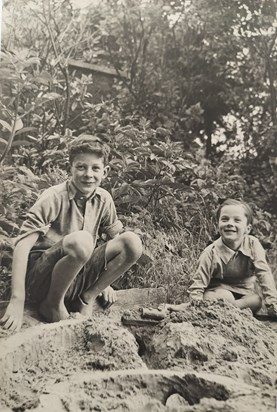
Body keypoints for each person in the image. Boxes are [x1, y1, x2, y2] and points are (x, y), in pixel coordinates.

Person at [0, 135, 142, 331]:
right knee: (82, 241)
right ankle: (52, 304)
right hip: (41, 280)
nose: (88, 174)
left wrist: (104, 284)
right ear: (70, 168)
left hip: (76, 276)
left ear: (105, 171)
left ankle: (86, 298)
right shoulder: (54, 197)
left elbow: (116, 241)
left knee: (132, 242)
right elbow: (22, 246)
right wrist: (17, 300)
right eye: (81, 167)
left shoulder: (104, 199)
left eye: (95, 168)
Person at [168, 199, 277, 316]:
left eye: (237, 220)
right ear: (218, 224)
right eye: (225, 219)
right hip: (216, 293)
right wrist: (195, 305)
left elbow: (264, 273)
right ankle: (211, 309)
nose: (230, 223)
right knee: (225, 296)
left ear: (248, 228)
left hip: (243, 295)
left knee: (256, 301)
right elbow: (198, 285)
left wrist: (272, 303)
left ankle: (223, 311)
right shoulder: (211, 252)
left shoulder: (253, 244)